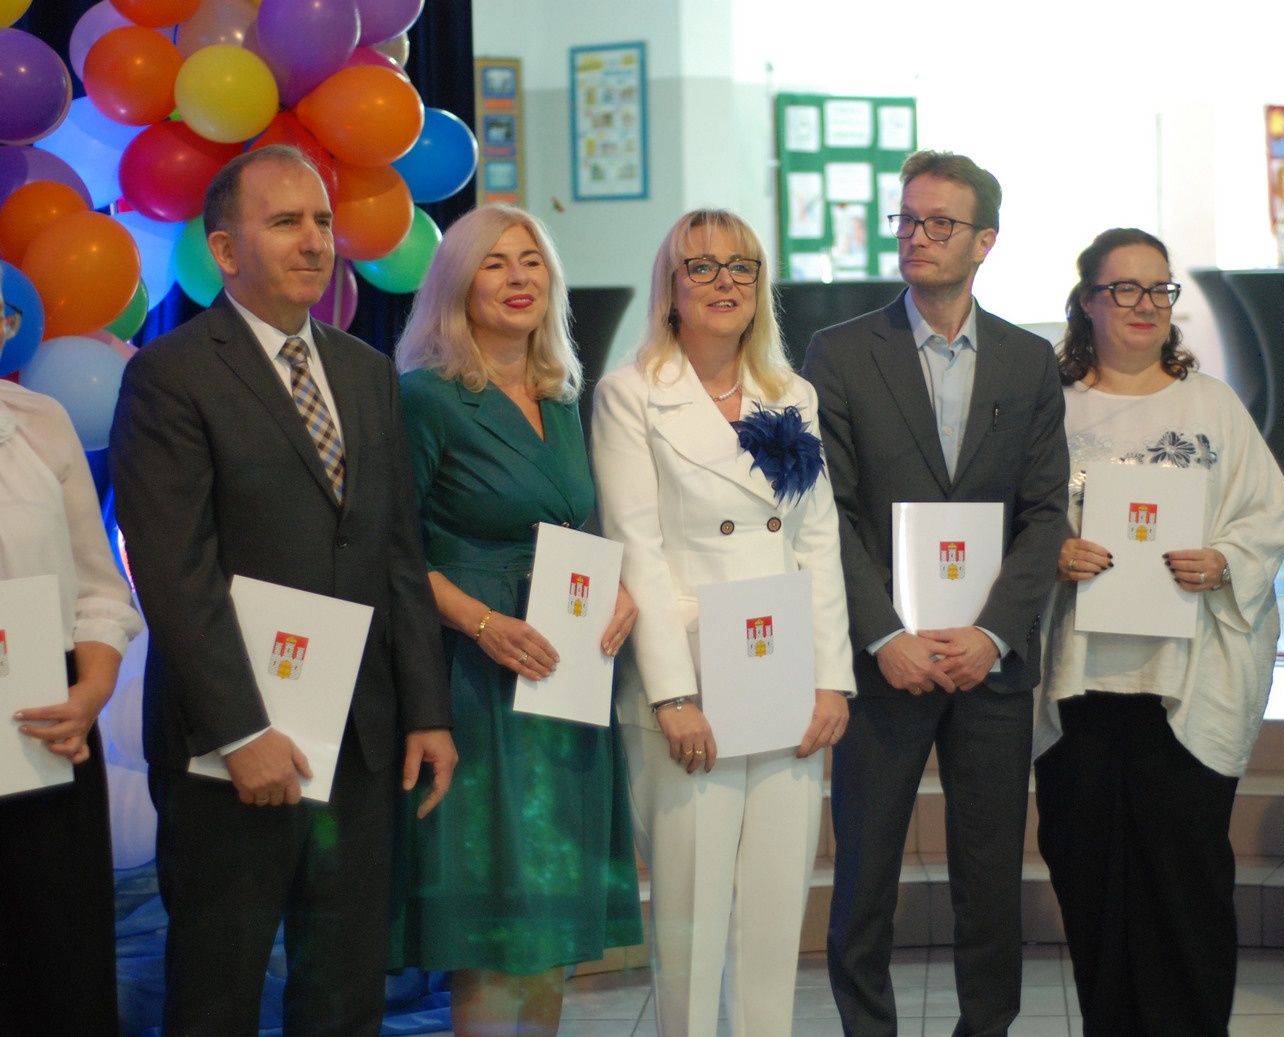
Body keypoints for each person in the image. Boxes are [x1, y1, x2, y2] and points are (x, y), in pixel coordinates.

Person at [109, 145, 457, 1037]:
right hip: (230, 751)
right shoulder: (171, 374)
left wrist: (426, 709)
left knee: (344, 994)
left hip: (362, 742)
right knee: (218, 993)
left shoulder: (366, 371)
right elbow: (175, 572)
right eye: (285, 222)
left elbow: (398, 552)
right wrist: (241, 730)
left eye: (323, 221)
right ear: (225, 251)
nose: (315, 241)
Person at [802, 149, 1069, 1036]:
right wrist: (884, 636)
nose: (916, 236)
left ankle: (985, 1026)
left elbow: (1044, 513)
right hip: (884, 660)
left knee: (988, 877)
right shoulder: (840, 352)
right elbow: (828, 513)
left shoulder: (1028, 360)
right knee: (863, 875)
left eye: (939, 223)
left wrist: (993, 633)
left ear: (984, 240)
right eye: (907, 219)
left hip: (988, 662)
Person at [590, 208, 855, 1035]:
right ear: (670, 286)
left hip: (781, 673)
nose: (724, 282)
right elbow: (635, 548)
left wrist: (830, 679)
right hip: (693, 678)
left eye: (741, 266)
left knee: (775, 918)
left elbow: (816, 541)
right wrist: (671, 695)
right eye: (700, 266)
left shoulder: (791, 393)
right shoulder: (631, 393)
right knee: (693, 921)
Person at [391, 203, 643, 1034]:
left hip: (564, 677)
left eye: (530, 261)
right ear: (457, 285)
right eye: (494, 263)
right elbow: (389, 551)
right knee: (498, 926)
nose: (517, 278)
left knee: (549, 926)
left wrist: (615, 586)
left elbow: (576, 524)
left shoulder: (561, 396)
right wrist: (479, 622)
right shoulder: (425, 398)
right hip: (477, 679)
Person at [1035, 228, 1284, 1036]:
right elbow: (1013, 515)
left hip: (1185, 678)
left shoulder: (1210, 404)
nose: (1143, 304)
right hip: (1079, 682)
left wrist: (1222, 559)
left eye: (1158, 288)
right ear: (1086, 301)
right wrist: (1052, 549)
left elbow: (1266, 513)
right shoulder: (1050, 408)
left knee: (1184, 880)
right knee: (1089, 874)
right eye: (1124, 288)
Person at [0, 287, 142, 1036]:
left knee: (54, 971)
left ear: (8, 326)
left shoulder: (40, 423)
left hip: (46, 730)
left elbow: (98, 589)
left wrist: (91, 691)